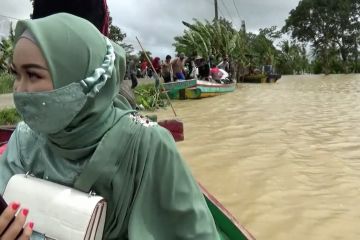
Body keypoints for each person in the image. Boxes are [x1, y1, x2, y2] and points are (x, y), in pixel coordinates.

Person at [0, 14, 220, 240]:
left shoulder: (148, 146)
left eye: (33, 74)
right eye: (16, 74)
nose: (19, 89)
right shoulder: (24, 139)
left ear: (81, 76)